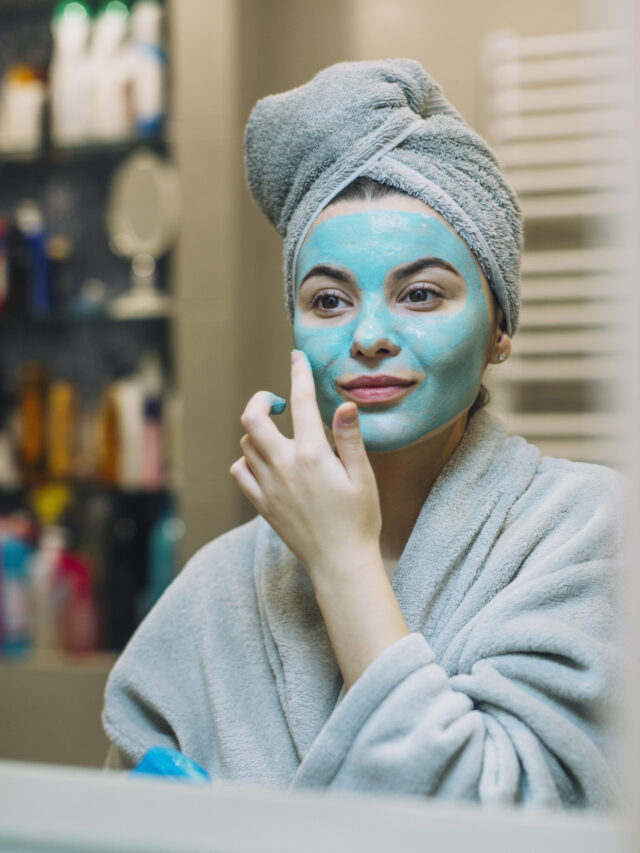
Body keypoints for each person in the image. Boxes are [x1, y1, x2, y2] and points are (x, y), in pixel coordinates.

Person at [102, 59, 624, 808]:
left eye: (420, 293)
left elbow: (503, 826)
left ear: (500, 326)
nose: (370, 335)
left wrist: (344, 559)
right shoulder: (217, 586)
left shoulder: (589, 530)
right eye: (328, 300)